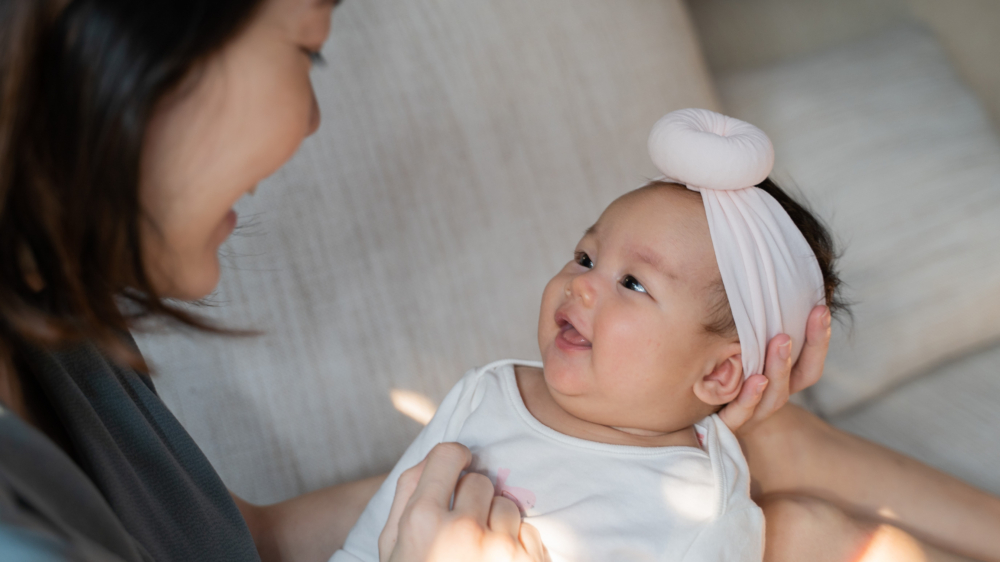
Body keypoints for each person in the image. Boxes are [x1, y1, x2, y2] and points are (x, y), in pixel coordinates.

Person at [0, 1, 998, 561]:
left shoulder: (54, 341)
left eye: (635, 284)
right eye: (309, 47)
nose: (309, 118)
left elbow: (236, 541)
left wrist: (767, 443)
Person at [335, 108, 841, 562]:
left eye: (633, 283)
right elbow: (366, 544)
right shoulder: (484, 392)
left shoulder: (707, 515)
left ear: (718, 373)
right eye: (585, 257)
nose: (581, 284)